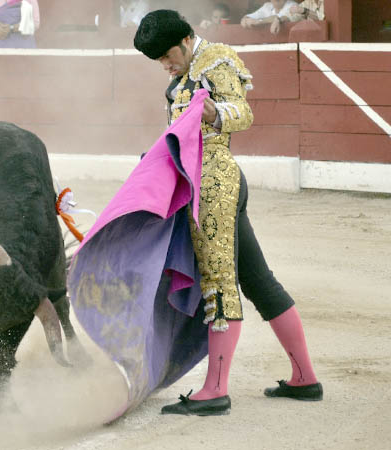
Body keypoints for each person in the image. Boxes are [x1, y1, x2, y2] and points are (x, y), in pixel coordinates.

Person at [133, 9, 322, 416]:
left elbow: (243, 112)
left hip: (215, 183)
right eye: (159, 60)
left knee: (218, 282)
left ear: (186, 39)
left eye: (168, 55)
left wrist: (214, 112)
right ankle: (304, 378)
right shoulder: (185, 72)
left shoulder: (215, 59)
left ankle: (215, 389)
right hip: (202, 180)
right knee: (258, 280)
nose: (165, 65)